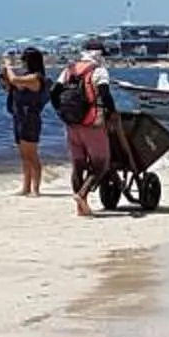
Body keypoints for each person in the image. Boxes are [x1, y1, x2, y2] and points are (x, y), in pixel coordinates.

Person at [56, 41, 115, 218]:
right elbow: (105, 95)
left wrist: (60, 112)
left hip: (71, 124)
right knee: (101, 165)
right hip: (92, 123)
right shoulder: (99, 71)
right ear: (100, 55)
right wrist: (111, 114)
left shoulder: (69, 70)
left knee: (78, 166)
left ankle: (81, 208)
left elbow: (54, 91)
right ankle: (81, 195)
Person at [0, 49, 48, 196]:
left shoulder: (36, 78)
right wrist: (4, 76)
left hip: (30, 119)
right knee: (24, 156)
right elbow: (10, 86)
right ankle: (26, 187)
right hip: (19, 117)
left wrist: (9, 67)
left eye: (24, 60)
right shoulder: (26, 77)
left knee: (32, 155)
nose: (23, 63)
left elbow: (15, 80)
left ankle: (36, 188)